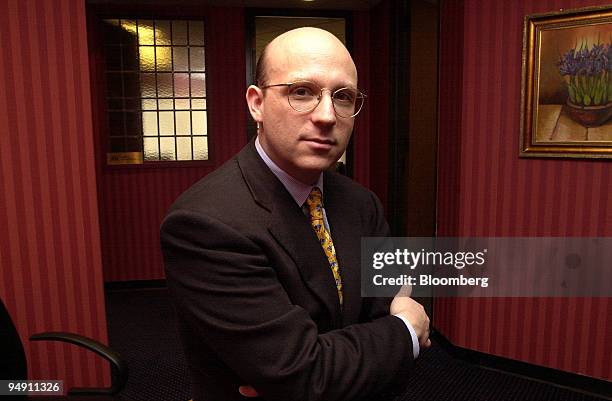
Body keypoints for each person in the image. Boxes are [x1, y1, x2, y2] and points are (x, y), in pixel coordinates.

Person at [161, 27, 430, 401]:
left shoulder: (361, 203)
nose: (326, 115)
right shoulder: (205, 223)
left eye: (343, 97)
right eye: (302, 92)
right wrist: (403, 332)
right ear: (256, 103)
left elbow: (382, 308)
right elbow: (304, 377)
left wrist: (320, 366)